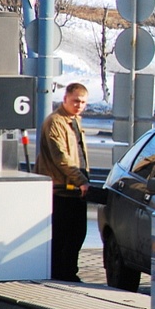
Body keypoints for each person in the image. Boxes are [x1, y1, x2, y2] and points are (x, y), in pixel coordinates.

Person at [36, 83, 90, 282]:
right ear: (65, 98)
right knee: (62, 237)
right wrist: (81, 180)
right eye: (76, 100)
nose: (79, 105)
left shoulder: (74, 121)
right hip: (61, 190)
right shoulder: (55, 122)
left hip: (76, 189)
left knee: (77, 234)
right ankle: (60, 274)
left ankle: (68, 272)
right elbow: (61, 157)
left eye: (83, 102)